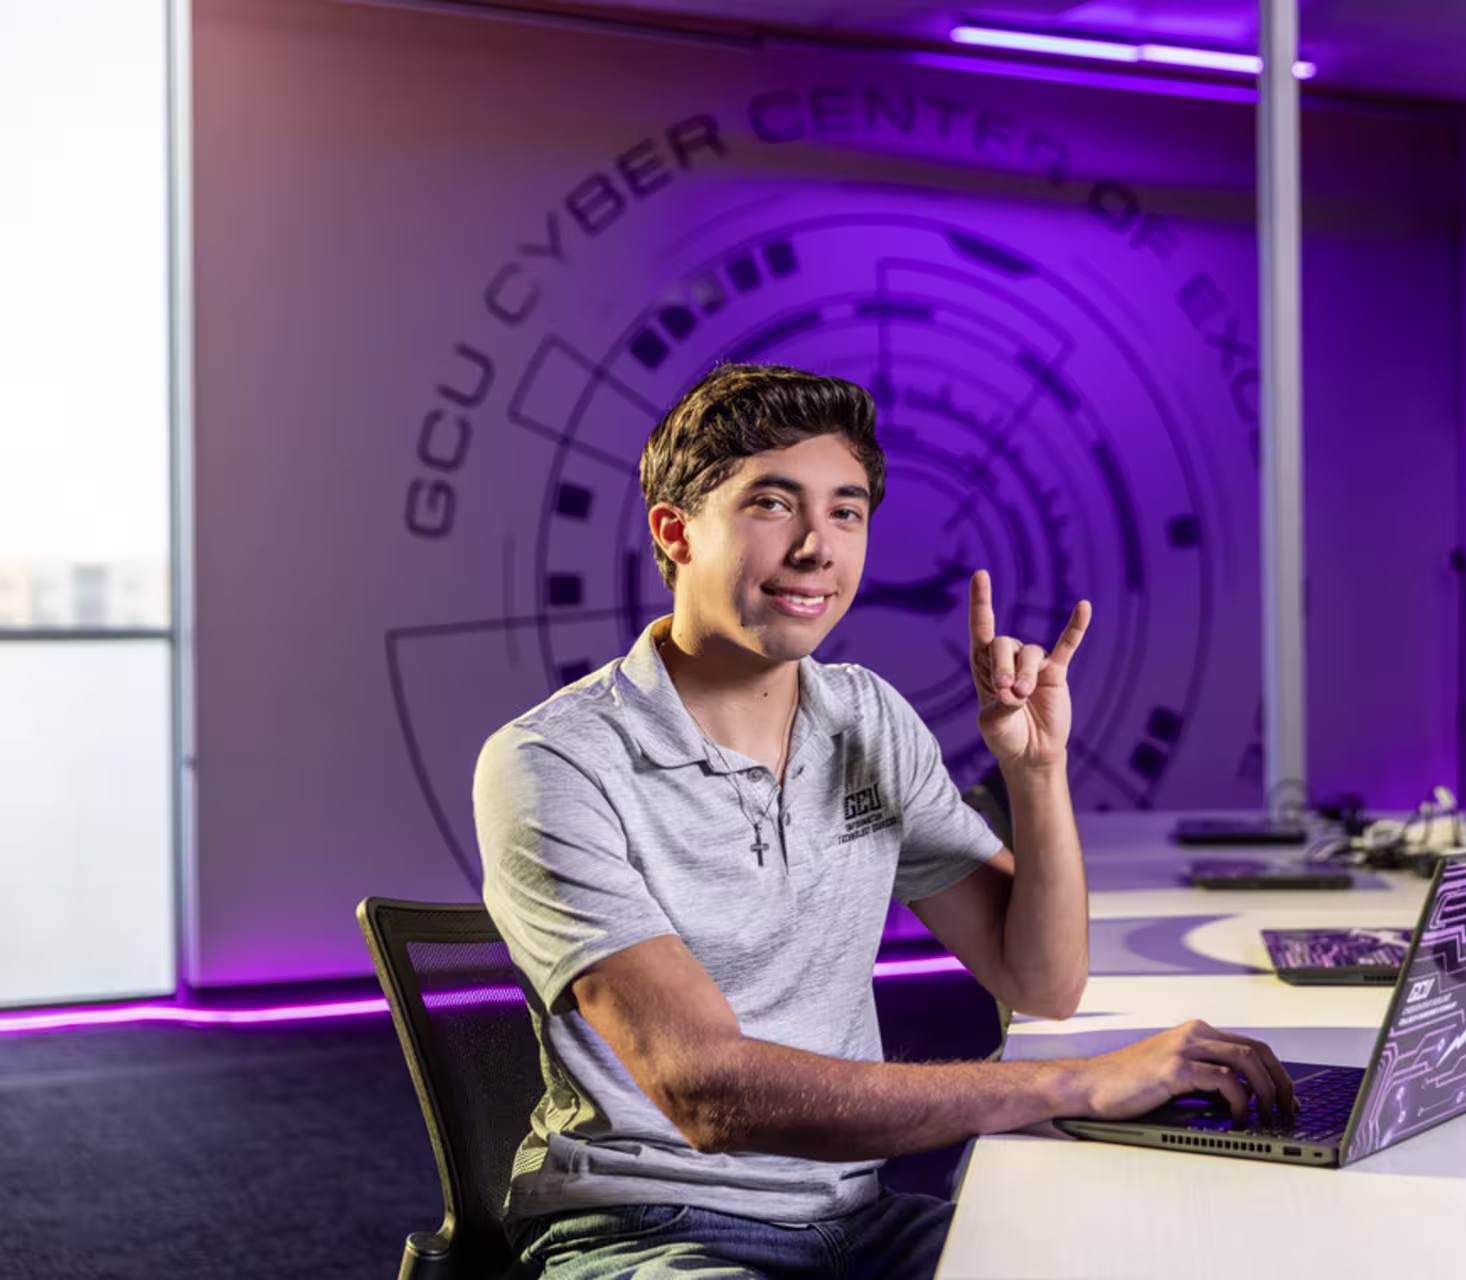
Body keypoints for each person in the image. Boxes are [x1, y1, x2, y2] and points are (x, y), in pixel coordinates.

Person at [475, 363, 1294, 1279]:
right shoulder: (553, 760)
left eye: (847, 512)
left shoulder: (864, 718)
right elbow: (707, 1093)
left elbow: (1042, 980)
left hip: (858, 1218)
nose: (818, 548)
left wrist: (1037, 771)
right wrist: (1079, 1081)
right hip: (651, 1229)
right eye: (773, 505)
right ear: (676, 532)